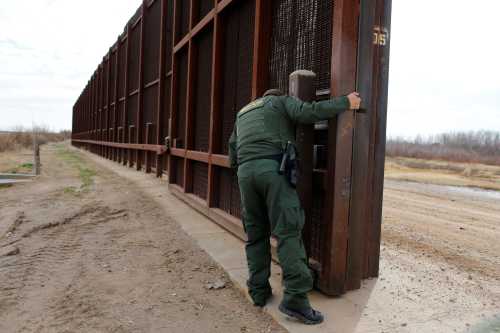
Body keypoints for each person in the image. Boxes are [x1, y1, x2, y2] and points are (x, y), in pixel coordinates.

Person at [228, 88, 362, 325]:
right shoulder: (280, 102)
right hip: (273, 170)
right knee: (288, 231)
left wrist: (249, 169)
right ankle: (296, 299)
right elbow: (308, 112)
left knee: (256, 234)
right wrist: (345, 102)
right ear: (276, 95)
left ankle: (258, 291)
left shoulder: (243, 112)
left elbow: (233, 152)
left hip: (245, 174)